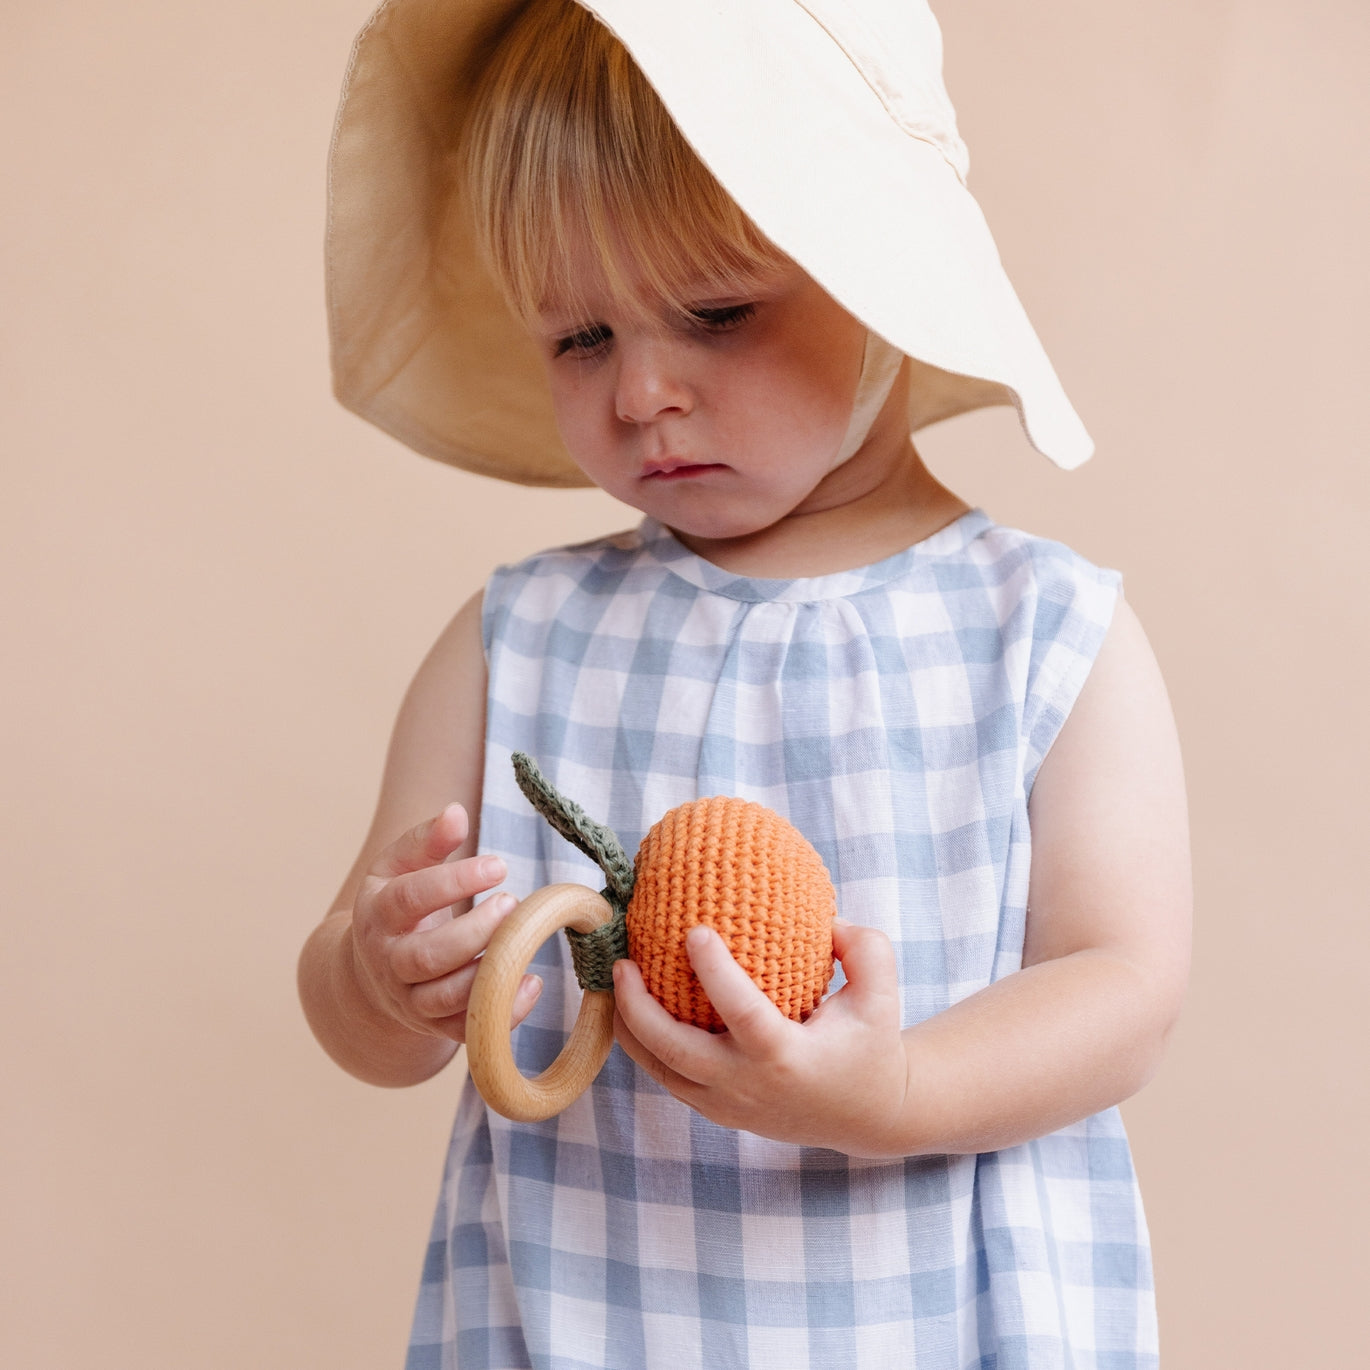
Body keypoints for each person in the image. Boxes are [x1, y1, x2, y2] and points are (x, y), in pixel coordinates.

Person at [298, 1, 1192, 1365]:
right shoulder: (515, 637)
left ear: (883, 275)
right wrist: (379, 976)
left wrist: (895, 1087)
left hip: (938, 1321)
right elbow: (360, 1001)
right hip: (579, 1319)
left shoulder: (1038, 630)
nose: (643, 390)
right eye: (578, 338)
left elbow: (1121, 981)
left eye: (715, 312)